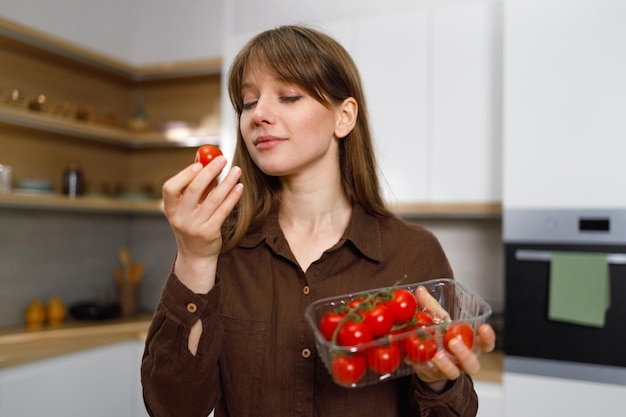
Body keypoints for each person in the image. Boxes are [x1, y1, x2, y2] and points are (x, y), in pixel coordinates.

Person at [141, 25, 496, 417]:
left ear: (343, 118)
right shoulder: (220, 248)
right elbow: (172, 408)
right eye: (247, 102)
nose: (258, 115)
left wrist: (437, 379)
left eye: (289, 96)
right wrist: (194, 259)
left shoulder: (413, 252)